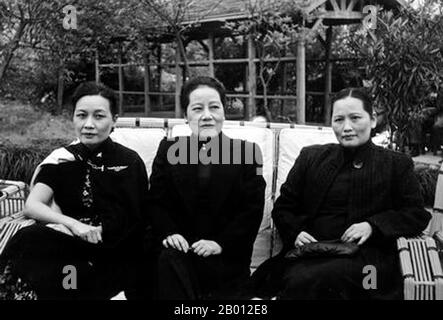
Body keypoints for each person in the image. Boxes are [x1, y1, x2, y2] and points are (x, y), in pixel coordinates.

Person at [250, 87, 431, 300]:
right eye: (339, 120)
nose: (346, 127)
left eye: (355, 118)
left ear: (372, 120)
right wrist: (296, 231)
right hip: (312, 252)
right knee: (288, 279)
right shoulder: (311, 158)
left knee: (311, 280)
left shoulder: (396, 164)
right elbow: (283, 207)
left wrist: (373, 225)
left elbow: (416, 214)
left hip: (369, 265)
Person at [0, 81, 150, 300]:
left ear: (114, 120)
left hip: (117, 250)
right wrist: (71, 224)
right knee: (29, 236)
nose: (89, 124)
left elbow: (138, 215)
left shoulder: (130, 161)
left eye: (99, 116)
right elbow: (33, 205)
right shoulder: (62, 158)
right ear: (73, 118)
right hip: (72, 244)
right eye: (81, 115)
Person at [149, 76, 266, 299]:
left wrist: (220, 244)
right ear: (185, 116)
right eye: (197, 109)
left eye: (214, 107)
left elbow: (251, 210)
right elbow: (156, 200)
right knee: (168, 263)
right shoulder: (168, 149)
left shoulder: (247, 153)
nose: (207, 116)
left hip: (225, 256)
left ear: (223, 112)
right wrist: (169, 233)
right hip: (180, 253)